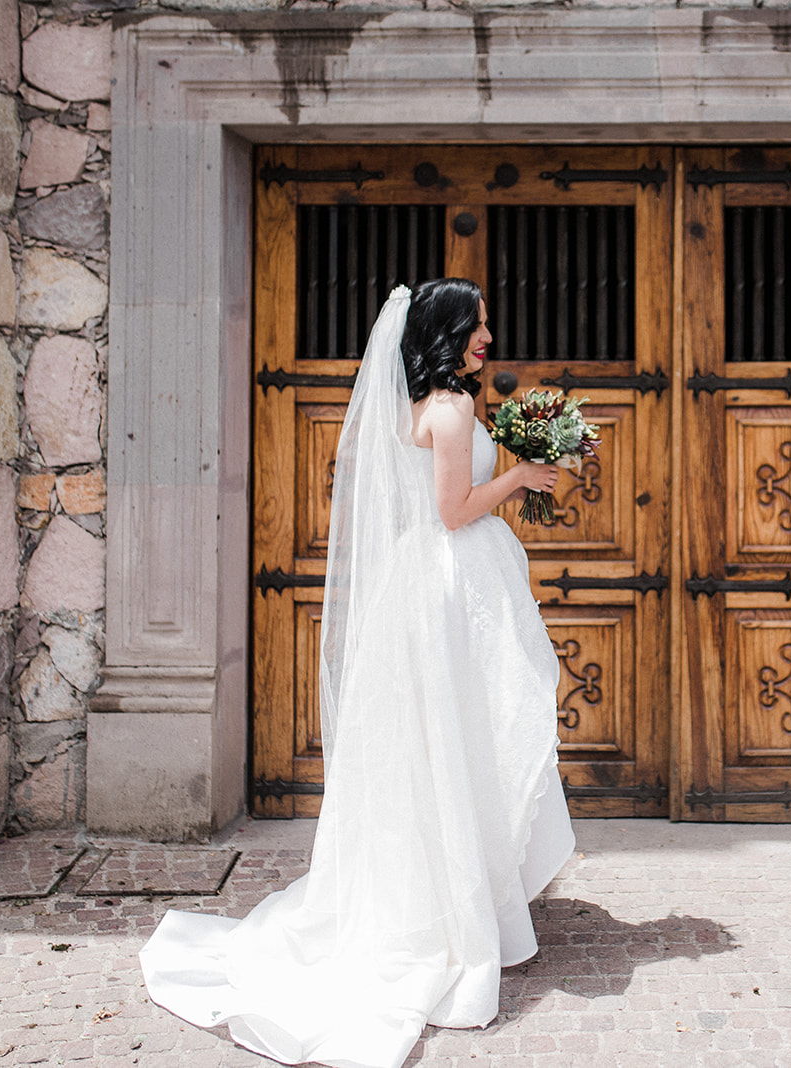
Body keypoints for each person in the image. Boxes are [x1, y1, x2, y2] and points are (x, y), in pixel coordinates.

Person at [139, 279, 576, 1067]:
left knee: (448, 742)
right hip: (448, 582)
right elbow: (451, 511)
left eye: (486, 325)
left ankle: (452, 894)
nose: (487, 336)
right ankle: (448, 911)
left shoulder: (434, 405)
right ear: (446, 333)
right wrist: (519, 478)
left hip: (438, 584)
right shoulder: (451, 410)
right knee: (457, 739)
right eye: (475, 327)